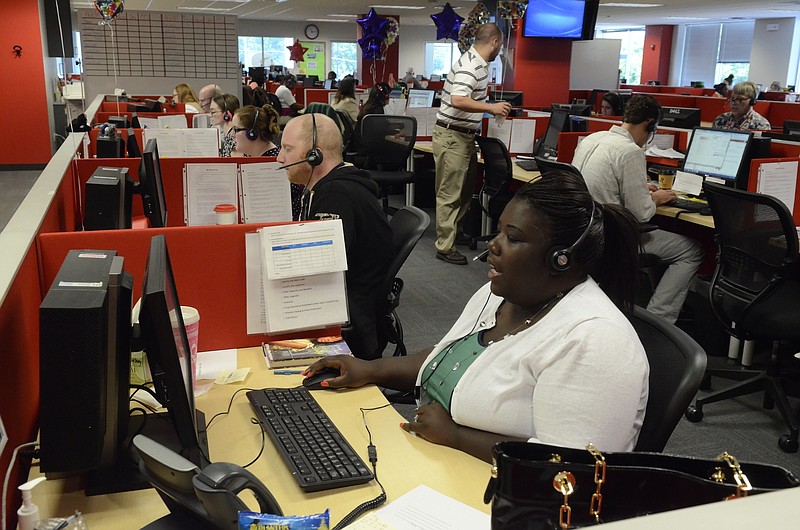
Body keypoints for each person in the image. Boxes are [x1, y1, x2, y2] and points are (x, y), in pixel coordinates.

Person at [303, 170, 649, 461]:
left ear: (561, 259)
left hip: (518, 506)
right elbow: (448, 357)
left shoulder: (595, 341)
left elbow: (573, 469)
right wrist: (368, 369)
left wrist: (456, 437)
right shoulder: (501, 295)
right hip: (442, 464)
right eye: (499, 231)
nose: (493, 246)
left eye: (512, 238)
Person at [571, 94, 704, 324]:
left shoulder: (593, 139)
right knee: (691, 251)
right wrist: (658, 199)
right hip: (613, 236)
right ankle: (658, 321)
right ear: (649, 123)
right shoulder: (631, 151)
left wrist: (641, 188)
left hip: (583, 230)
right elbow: (641, 214)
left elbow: (605, 181)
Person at [276, 114, 395, 360]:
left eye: (287, 149)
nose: (280, 158)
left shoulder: (337, 196)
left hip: (351, 327)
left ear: (314, 155)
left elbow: (317, 270)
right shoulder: (328, 187)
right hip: (352, 309)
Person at [433, 23, 511, 265]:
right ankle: (444, 246)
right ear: (495, 43)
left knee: (465, 189)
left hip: (463, 136)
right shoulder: (471, 65)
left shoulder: (478, 63)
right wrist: (491, 108)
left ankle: (454, 233)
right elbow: (458, 99)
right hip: (452, 136)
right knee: (450, 192)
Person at [232, 104, 303, 220]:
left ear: (252, 134)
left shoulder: (276, 166)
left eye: (236, 130)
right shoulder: (254, 158)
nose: (232, 135)